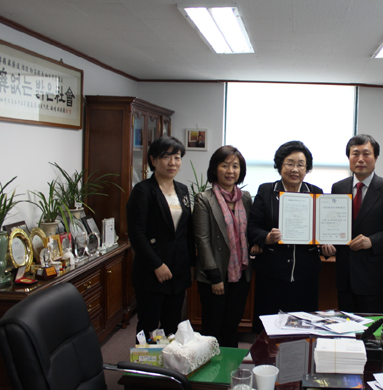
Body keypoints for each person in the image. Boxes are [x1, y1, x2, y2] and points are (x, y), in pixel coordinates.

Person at [248, 140, 334, 333]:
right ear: (280, 165)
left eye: (300, 164)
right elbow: (252, 227)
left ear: (307, 168)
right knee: (267, 330)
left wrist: (326, 245)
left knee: (301, 331)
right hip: (271, 274)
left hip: (305, 275)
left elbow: (323, 230)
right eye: (289, 163)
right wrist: (267, 237)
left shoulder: (315, 193)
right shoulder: (266, 190)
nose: (295, 169)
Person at [324, 134, 383, 314]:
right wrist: (326, 241)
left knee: (372, 333)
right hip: (344, 275)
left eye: (366, 154)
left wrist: (373, 241)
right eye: (355, 154)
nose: (360, 159)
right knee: (346, 329)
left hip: (373, 277)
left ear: (375, 158)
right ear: (349, 158)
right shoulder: (338, 188)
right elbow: (332, 224)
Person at [127, 136, 195, 341]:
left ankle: (169, 369)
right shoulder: (143, 191)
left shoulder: (182, 190)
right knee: (148, 325)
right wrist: (157, 265)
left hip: (178, 269)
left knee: (172, 325)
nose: (172, 162)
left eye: (177, 157)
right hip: (151, 271)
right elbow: (136, 233)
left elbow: (186, 230)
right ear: (153, 160)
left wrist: (190, 264)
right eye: (166, 157)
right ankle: (143, 371)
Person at [193, 145, 256, 348]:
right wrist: (215, 277)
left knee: (232, 325)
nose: (230, 171)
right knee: (213, 326)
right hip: (215, 275)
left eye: (235, 166)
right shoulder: (204, 198)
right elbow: (202, 240)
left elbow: (249, 231)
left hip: (240, 274)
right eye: (225, 165)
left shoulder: (245, 198)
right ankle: (208, 375)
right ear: (215, 169)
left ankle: (230, 371)